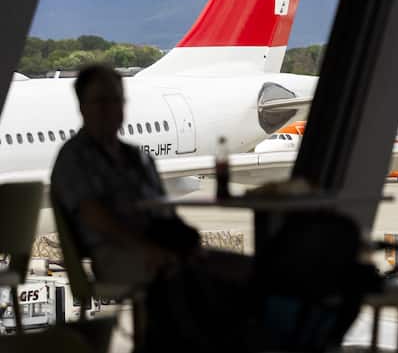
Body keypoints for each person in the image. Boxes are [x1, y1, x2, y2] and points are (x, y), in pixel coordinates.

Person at [51, 64, 250, 350]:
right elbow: (94, 217)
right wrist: (147, 249)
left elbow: (163, 211)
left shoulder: (135, 157)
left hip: (157, 245)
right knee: (192, 281)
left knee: (241, 268)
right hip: (114, 252)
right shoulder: (75, 159)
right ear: (82, 107)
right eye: (101, 100)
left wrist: (186, 241)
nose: (111, 108)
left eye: (117, 100)